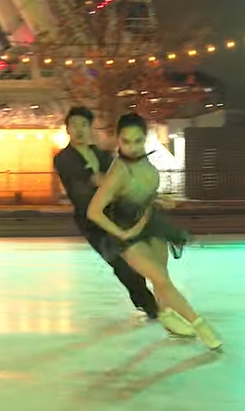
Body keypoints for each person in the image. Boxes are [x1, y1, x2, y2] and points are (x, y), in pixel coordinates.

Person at [87, 112, 223, 350]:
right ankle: (201, 326)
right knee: (159, 278)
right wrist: (121, 234)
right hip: (129, 233)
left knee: (163, 278)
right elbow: (94, 211)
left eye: (137, 141)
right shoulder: (119, 172)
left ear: (145, 138)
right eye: (126, 141)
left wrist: (158, 200)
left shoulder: (144, 161)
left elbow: (139, 194)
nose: (132, 147)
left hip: (151, 224)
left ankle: (166, 315)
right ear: (118, 140)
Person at [53, 106, 160, 321]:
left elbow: (119, 180)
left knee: (135, 258)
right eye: (74, 125)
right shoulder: (63, 158)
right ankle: (150, 305)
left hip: (117, 214)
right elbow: (80, 189)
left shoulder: (101, 154)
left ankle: (146, 299)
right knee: (118, 262)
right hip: (91, 221)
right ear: (67, 129)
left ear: (90, 128)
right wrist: (102, 183)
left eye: (84, 124)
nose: (79, 129)